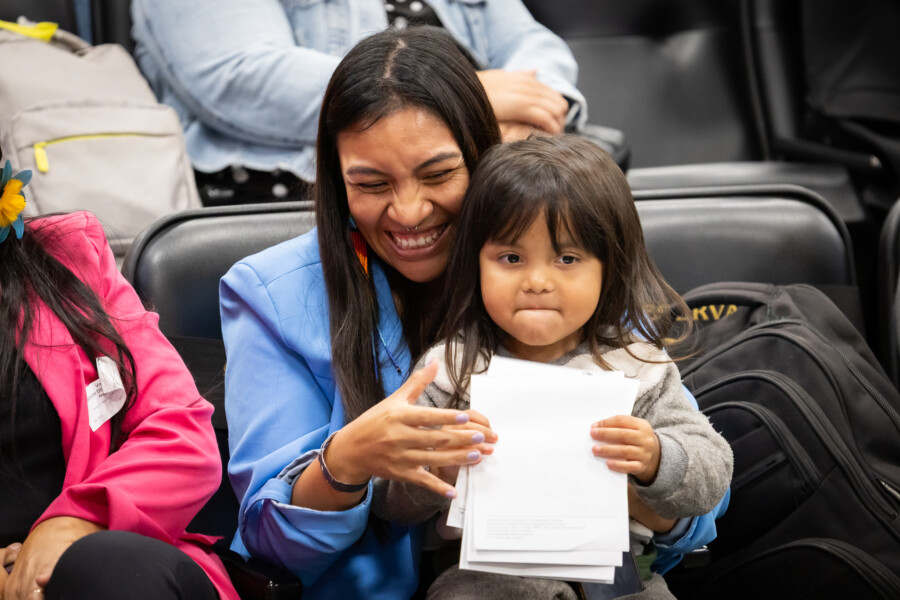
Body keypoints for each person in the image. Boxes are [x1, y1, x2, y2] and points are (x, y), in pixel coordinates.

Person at [220, 27, 725, 600]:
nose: (409, 211)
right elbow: (269, 547)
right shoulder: (271, 294)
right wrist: (350, 460)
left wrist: (624, 478)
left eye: (438, 175)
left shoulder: (565, 263)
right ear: (338, 184)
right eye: (372, 184)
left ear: (486, 159)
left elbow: (699, 510)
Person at [371, 134, 734, 599]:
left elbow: (712, 472)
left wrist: (657, 459)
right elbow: (386, 498)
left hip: (620, 578)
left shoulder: (637, 365)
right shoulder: (450, 369)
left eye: (567, 258)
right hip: (485, 576)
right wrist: (434, 471)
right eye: (511, 258)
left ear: (610, 266)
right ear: (475, 263)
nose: (537, 281)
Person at [0, 160, 238, 600]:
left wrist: (74, 521)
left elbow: (182, 434)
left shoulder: (67, 260)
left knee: (105, 568)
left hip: (99, 561)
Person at [130, 0, 587, 203]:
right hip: (302, 198)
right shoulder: (469, 95)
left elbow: (534, 44)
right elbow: (239, 75)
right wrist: (466, 96)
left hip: (484, 177)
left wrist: (526, 124)